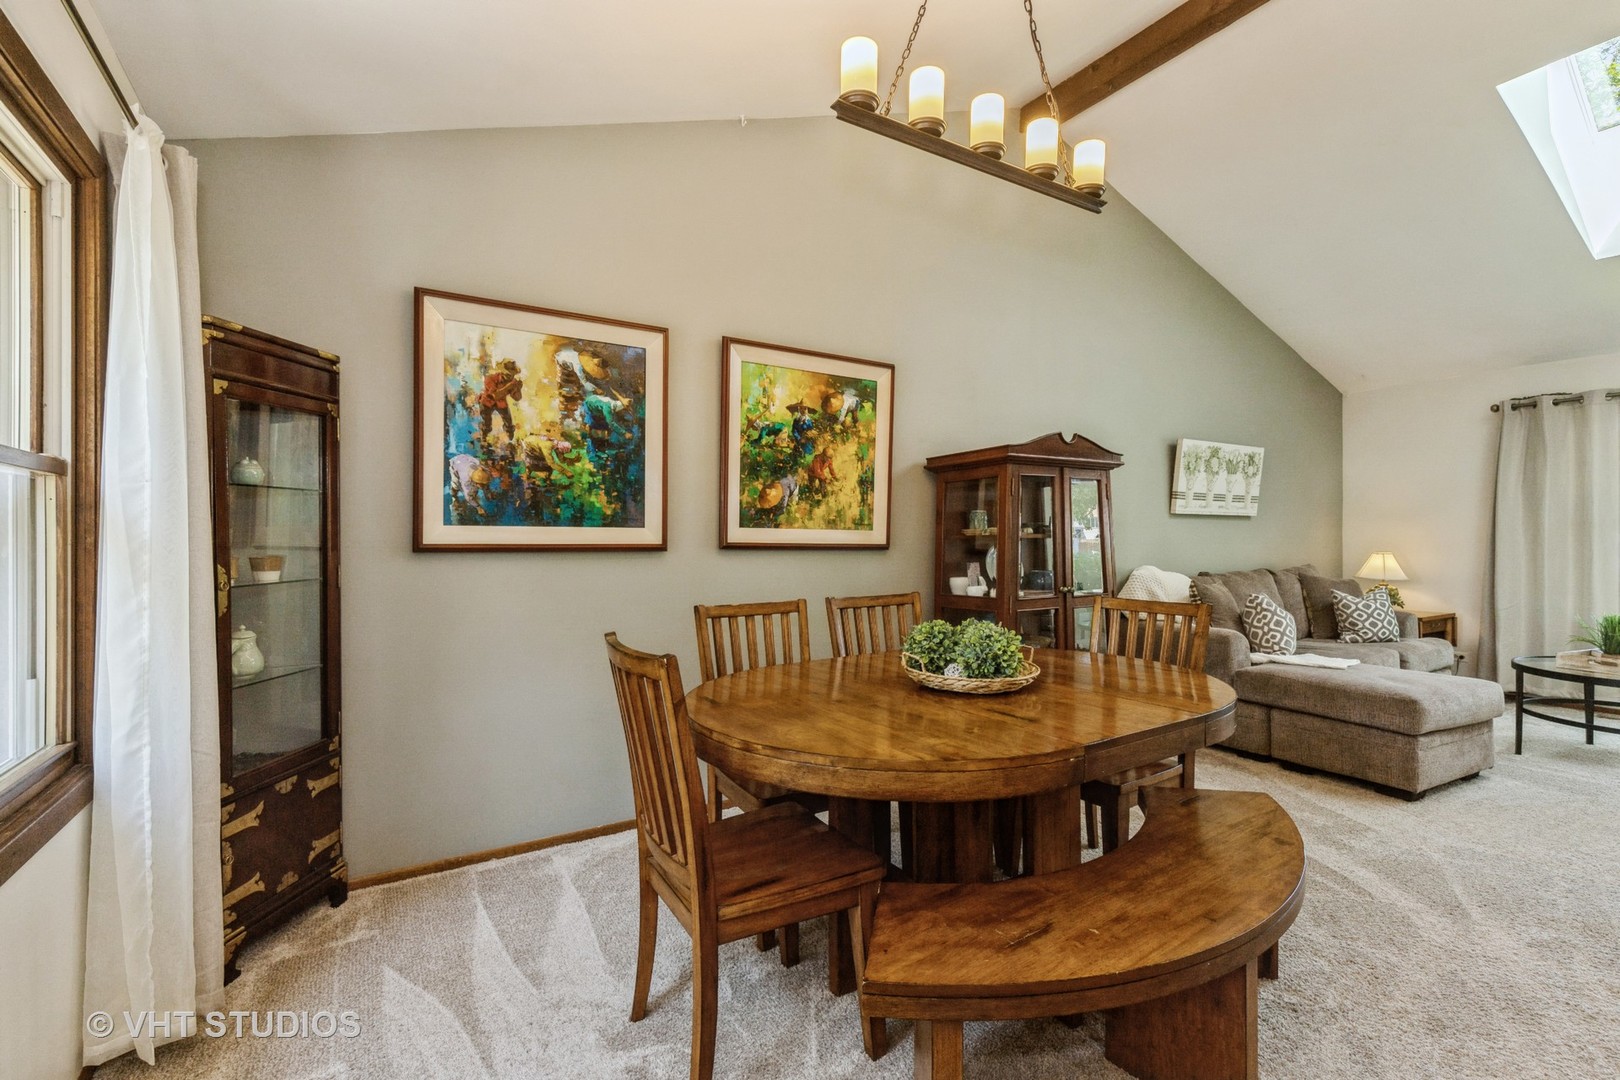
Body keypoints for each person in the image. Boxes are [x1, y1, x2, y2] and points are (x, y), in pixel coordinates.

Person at [479, 359, 524, 443]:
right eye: (508, 374)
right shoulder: (490, 379)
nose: (510, 377)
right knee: (487, 425)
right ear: (502, 373)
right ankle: (484, 441)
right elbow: (495, 396)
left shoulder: (512, 382)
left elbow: (517, 398)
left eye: (512, 375)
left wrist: (518, 389)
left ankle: (511, 441)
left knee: (509, 424)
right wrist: (509, 386)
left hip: (501, 403)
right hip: (487, 403)